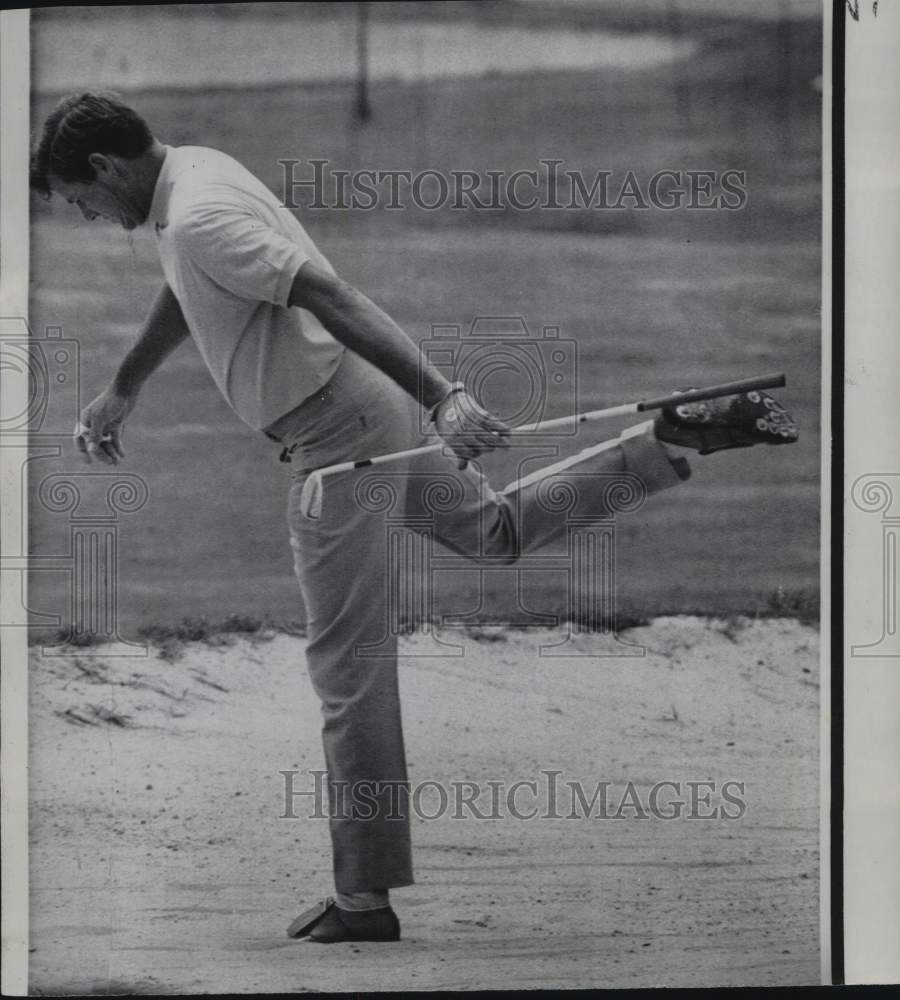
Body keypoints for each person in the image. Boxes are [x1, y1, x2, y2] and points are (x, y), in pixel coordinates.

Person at [31, 92, 798, 945]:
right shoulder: (193, 179)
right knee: (493, 532)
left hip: (340, 441)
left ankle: (363, 899)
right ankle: (662, 443)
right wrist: (125, 385)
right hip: (365, 411)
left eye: (80, 200)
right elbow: (194, 286)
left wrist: (446, 396)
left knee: (347, 663)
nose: (91, 216)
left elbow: (332, 294)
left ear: (104, 168)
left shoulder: (201, 211)